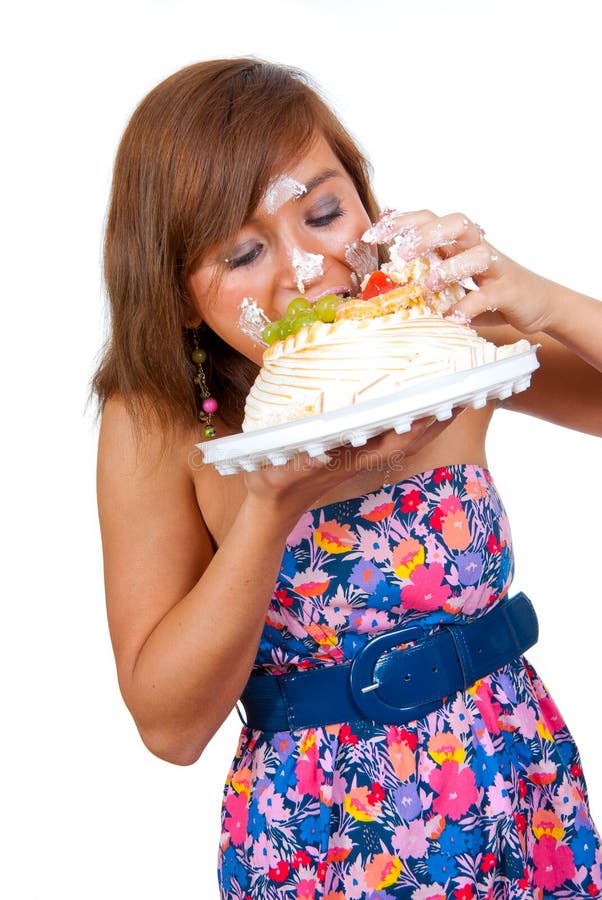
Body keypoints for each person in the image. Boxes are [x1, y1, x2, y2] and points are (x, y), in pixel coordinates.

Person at [94, 58, 602, 899]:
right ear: (181, 297)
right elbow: (170, 728)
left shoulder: (435, 339)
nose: (305, 268)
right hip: (323, 835)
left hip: (520, 790)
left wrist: (536, 297)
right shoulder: (162, 420)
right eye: (245, 252)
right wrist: (267, 511)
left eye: (325, 211)